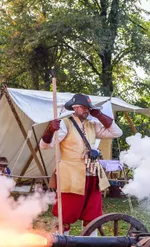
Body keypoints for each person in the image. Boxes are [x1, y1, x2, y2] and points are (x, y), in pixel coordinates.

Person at [40, 93, 122, 231]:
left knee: (92, 215)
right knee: (66, 214)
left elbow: (117, 133)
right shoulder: (65, 124)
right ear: (75, 108)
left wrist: (99, 115)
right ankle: (61, 243)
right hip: (71, 176)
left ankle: (92, 245)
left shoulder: (92, 125)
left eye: (88, 108)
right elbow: (45, 146)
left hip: (92, 173)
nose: (87, 110)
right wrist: (50, 130)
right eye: (84, 107)